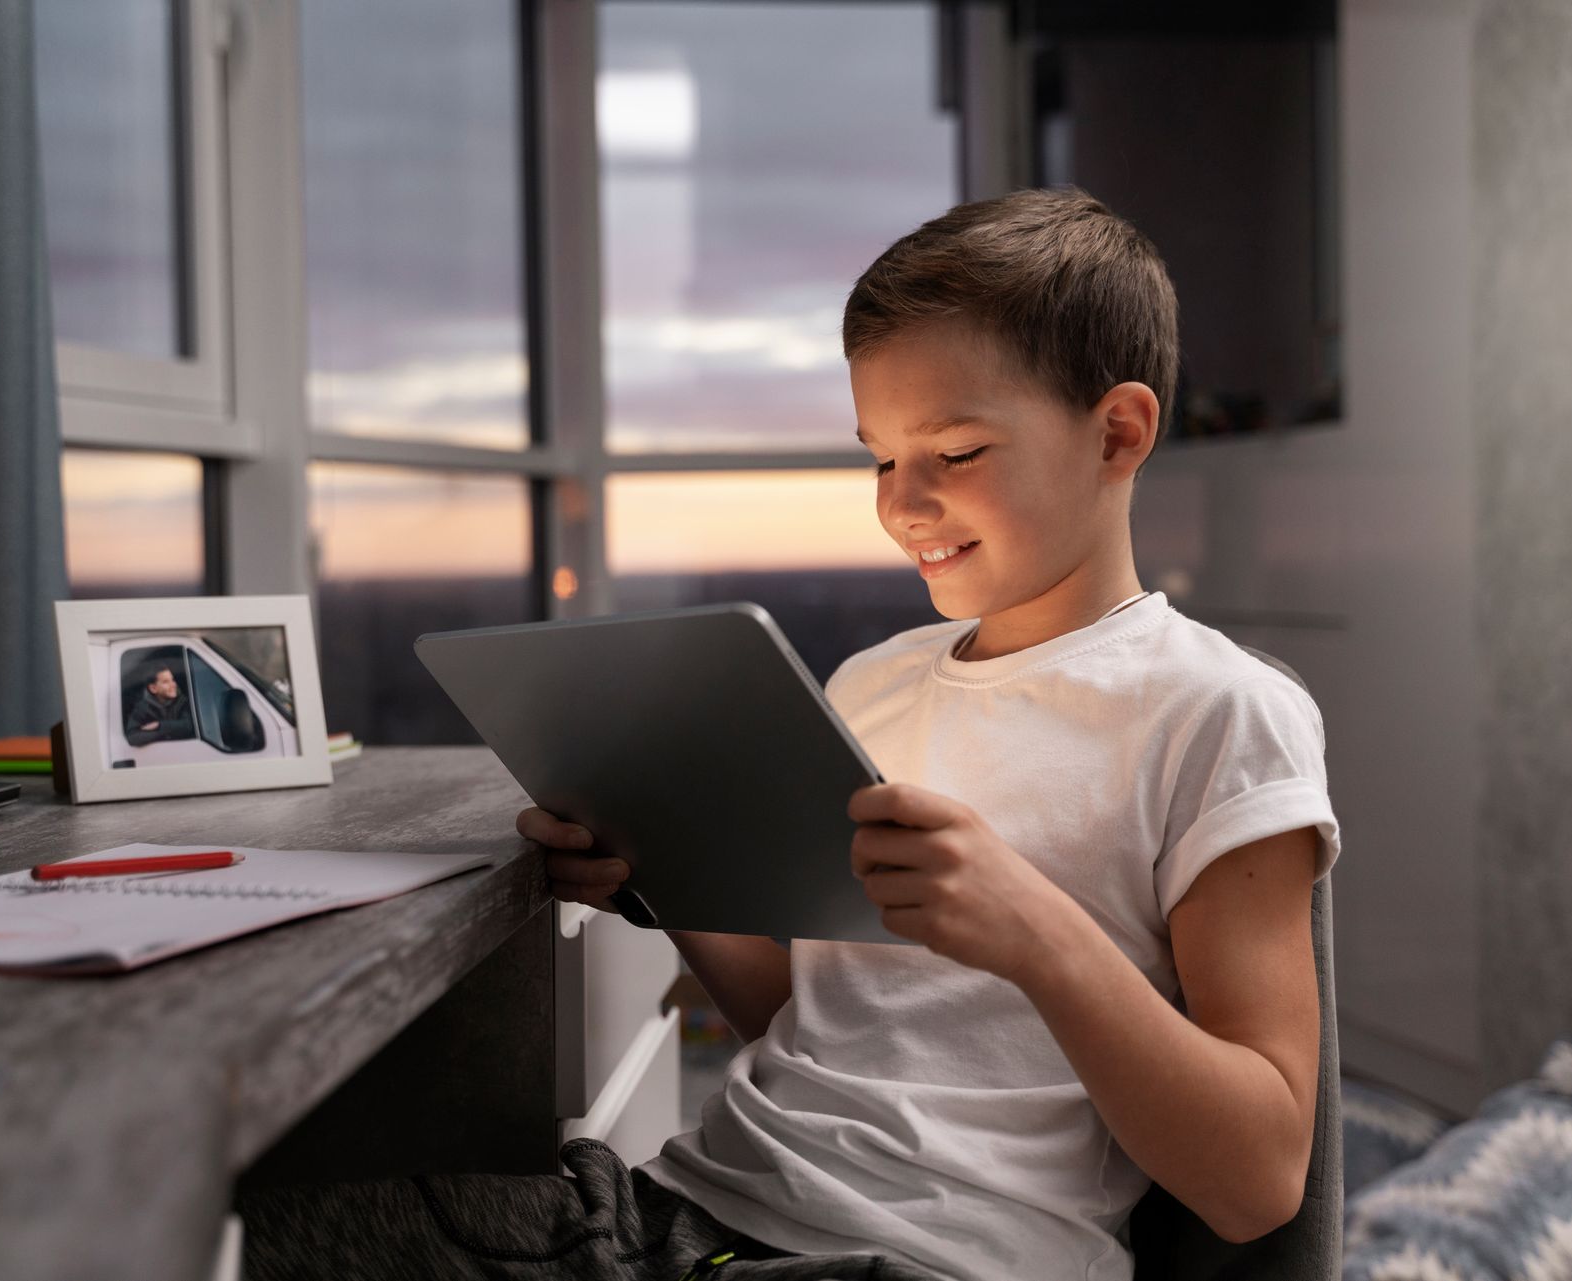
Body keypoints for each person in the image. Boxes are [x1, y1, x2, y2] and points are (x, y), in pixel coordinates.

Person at [238, 187, 1339, 1281]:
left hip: (933, 1262)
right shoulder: (870, 687)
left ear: (1119, 432)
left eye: (953, 454)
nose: (901, 506)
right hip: (679, 1219)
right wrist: (660, 863)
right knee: (261, 1225)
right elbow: (801, 1020)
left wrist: (1033, 932)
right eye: (879, 458)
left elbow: (1257, 1184)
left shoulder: (1217, 712)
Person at [124, 662, 195, 747]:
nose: (173, 684)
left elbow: (189, 726)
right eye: (166, 682)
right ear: (153, 688)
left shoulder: (183, 702)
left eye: (172, 680)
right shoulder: (142, 708)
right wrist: (166, 731)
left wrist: (159, 725)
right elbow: (132, 737)